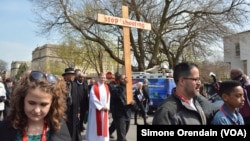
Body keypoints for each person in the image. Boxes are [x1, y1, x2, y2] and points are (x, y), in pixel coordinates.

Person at [0, 70, 71, 141]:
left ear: (52, 104)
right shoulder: (4, 128)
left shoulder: (59, 127)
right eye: (31, 103)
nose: (37, 110)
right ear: (22, 100)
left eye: (43, 104)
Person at [86, 72, 110, 141]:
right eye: (101, 77)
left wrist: (106, 106)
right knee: (95, 126)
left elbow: (108, 98)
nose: (103, 79)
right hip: (95, 110)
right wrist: (100, 107)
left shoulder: (106, 87)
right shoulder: (94, 87)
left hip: (105, 110)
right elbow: (93, 98)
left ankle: (103, 139)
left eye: (104, 78)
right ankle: (94, 139)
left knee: (104, 125)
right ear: (98, 78)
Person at [111, 74, 135, 141]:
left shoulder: (129, 90)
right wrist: (126, 85)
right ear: (118, 81)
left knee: (124, 134)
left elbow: (134, 103)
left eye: (126, 78)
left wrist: (133, 103)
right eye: (123, 79)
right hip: (120, 115)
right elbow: (121, 98)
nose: (125, 80)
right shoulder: (116, 90)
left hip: (127, 114)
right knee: (122, 137)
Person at [62, 68, 82, 141]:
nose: (74, 76)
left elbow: (77, 99)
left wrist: (78, 111)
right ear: (66, 75)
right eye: (72, 75)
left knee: (73, 128)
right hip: (64, 111)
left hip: (73, 111)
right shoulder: (61, 85)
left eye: (74, 75)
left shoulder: (75, 85)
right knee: (64, 127)